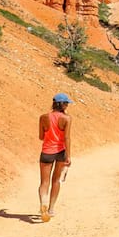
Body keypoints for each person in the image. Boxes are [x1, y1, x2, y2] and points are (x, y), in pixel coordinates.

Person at [38, 92, 73, 222]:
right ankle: (51, 209)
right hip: (60, 152)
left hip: (47, 152)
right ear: (62, 104)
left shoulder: (43, 117)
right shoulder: (67, 119)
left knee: (44, 182)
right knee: (56, 181)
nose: (68, 105)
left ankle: (43, 203)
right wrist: (68, 156)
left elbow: (41, 137)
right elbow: (67, 138)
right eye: (67, 103)